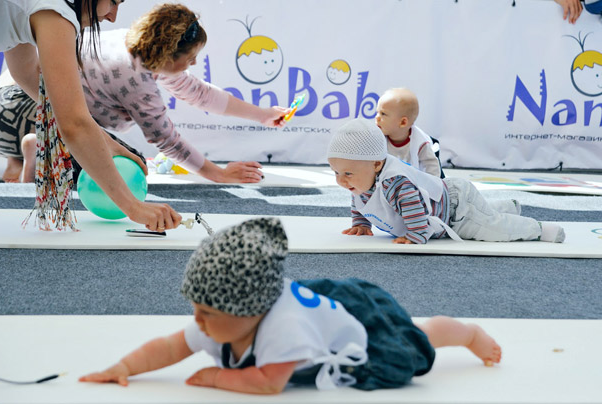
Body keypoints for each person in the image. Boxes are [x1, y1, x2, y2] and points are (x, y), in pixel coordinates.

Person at [80, 218, 502, 393]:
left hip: (358, 325)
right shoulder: (221, 320)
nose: (197, 322)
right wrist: (125, 367)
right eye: (196, 308)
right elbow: (170, 347)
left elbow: (269, 383)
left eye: (207, 312)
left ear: (249, 312)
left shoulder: (282, 329)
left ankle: (464, 333)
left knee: (412, 347)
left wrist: (213, 377)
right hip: (320, 306)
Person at [0, 3, 288, 184]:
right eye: (191, 57)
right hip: (21, 111)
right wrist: (218, 174)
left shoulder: (130, 43)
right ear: (168, 55)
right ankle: (40, 147)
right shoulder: (136, 80)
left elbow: (201, 94)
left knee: (104, 142)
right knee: (128, 162)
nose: (194, 64)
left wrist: (264, 115)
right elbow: (167, 140)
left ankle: (17, 160)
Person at [0, 0, 181, 232]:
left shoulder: (44, 9)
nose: (113, 17)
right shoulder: (56, 12)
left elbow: (28, 73)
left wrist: (107, 142)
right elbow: (74, 124)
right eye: (113, 2)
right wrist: (134, 207)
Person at [327, 119, 566, 244]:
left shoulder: (394, 182)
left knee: (494, 229)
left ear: (377, 164)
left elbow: (413, 208)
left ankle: (539, 229)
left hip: (455, 211)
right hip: (448, 198)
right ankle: (507, 206)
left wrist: (416, 234)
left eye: (347, 174)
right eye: (336, 172)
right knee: (484, 213)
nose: (341, 180)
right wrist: (362, 224)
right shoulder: (360, 179)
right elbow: (361, 202)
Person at [375, 88, 443, 178]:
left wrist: (432, 185)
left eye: (383, 114)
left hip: (416, 178)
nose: (377, 118)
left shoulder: (420, 143)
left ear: (403, 122)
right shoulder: (378, 138)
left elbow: (431, 167)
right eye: (377, 112)